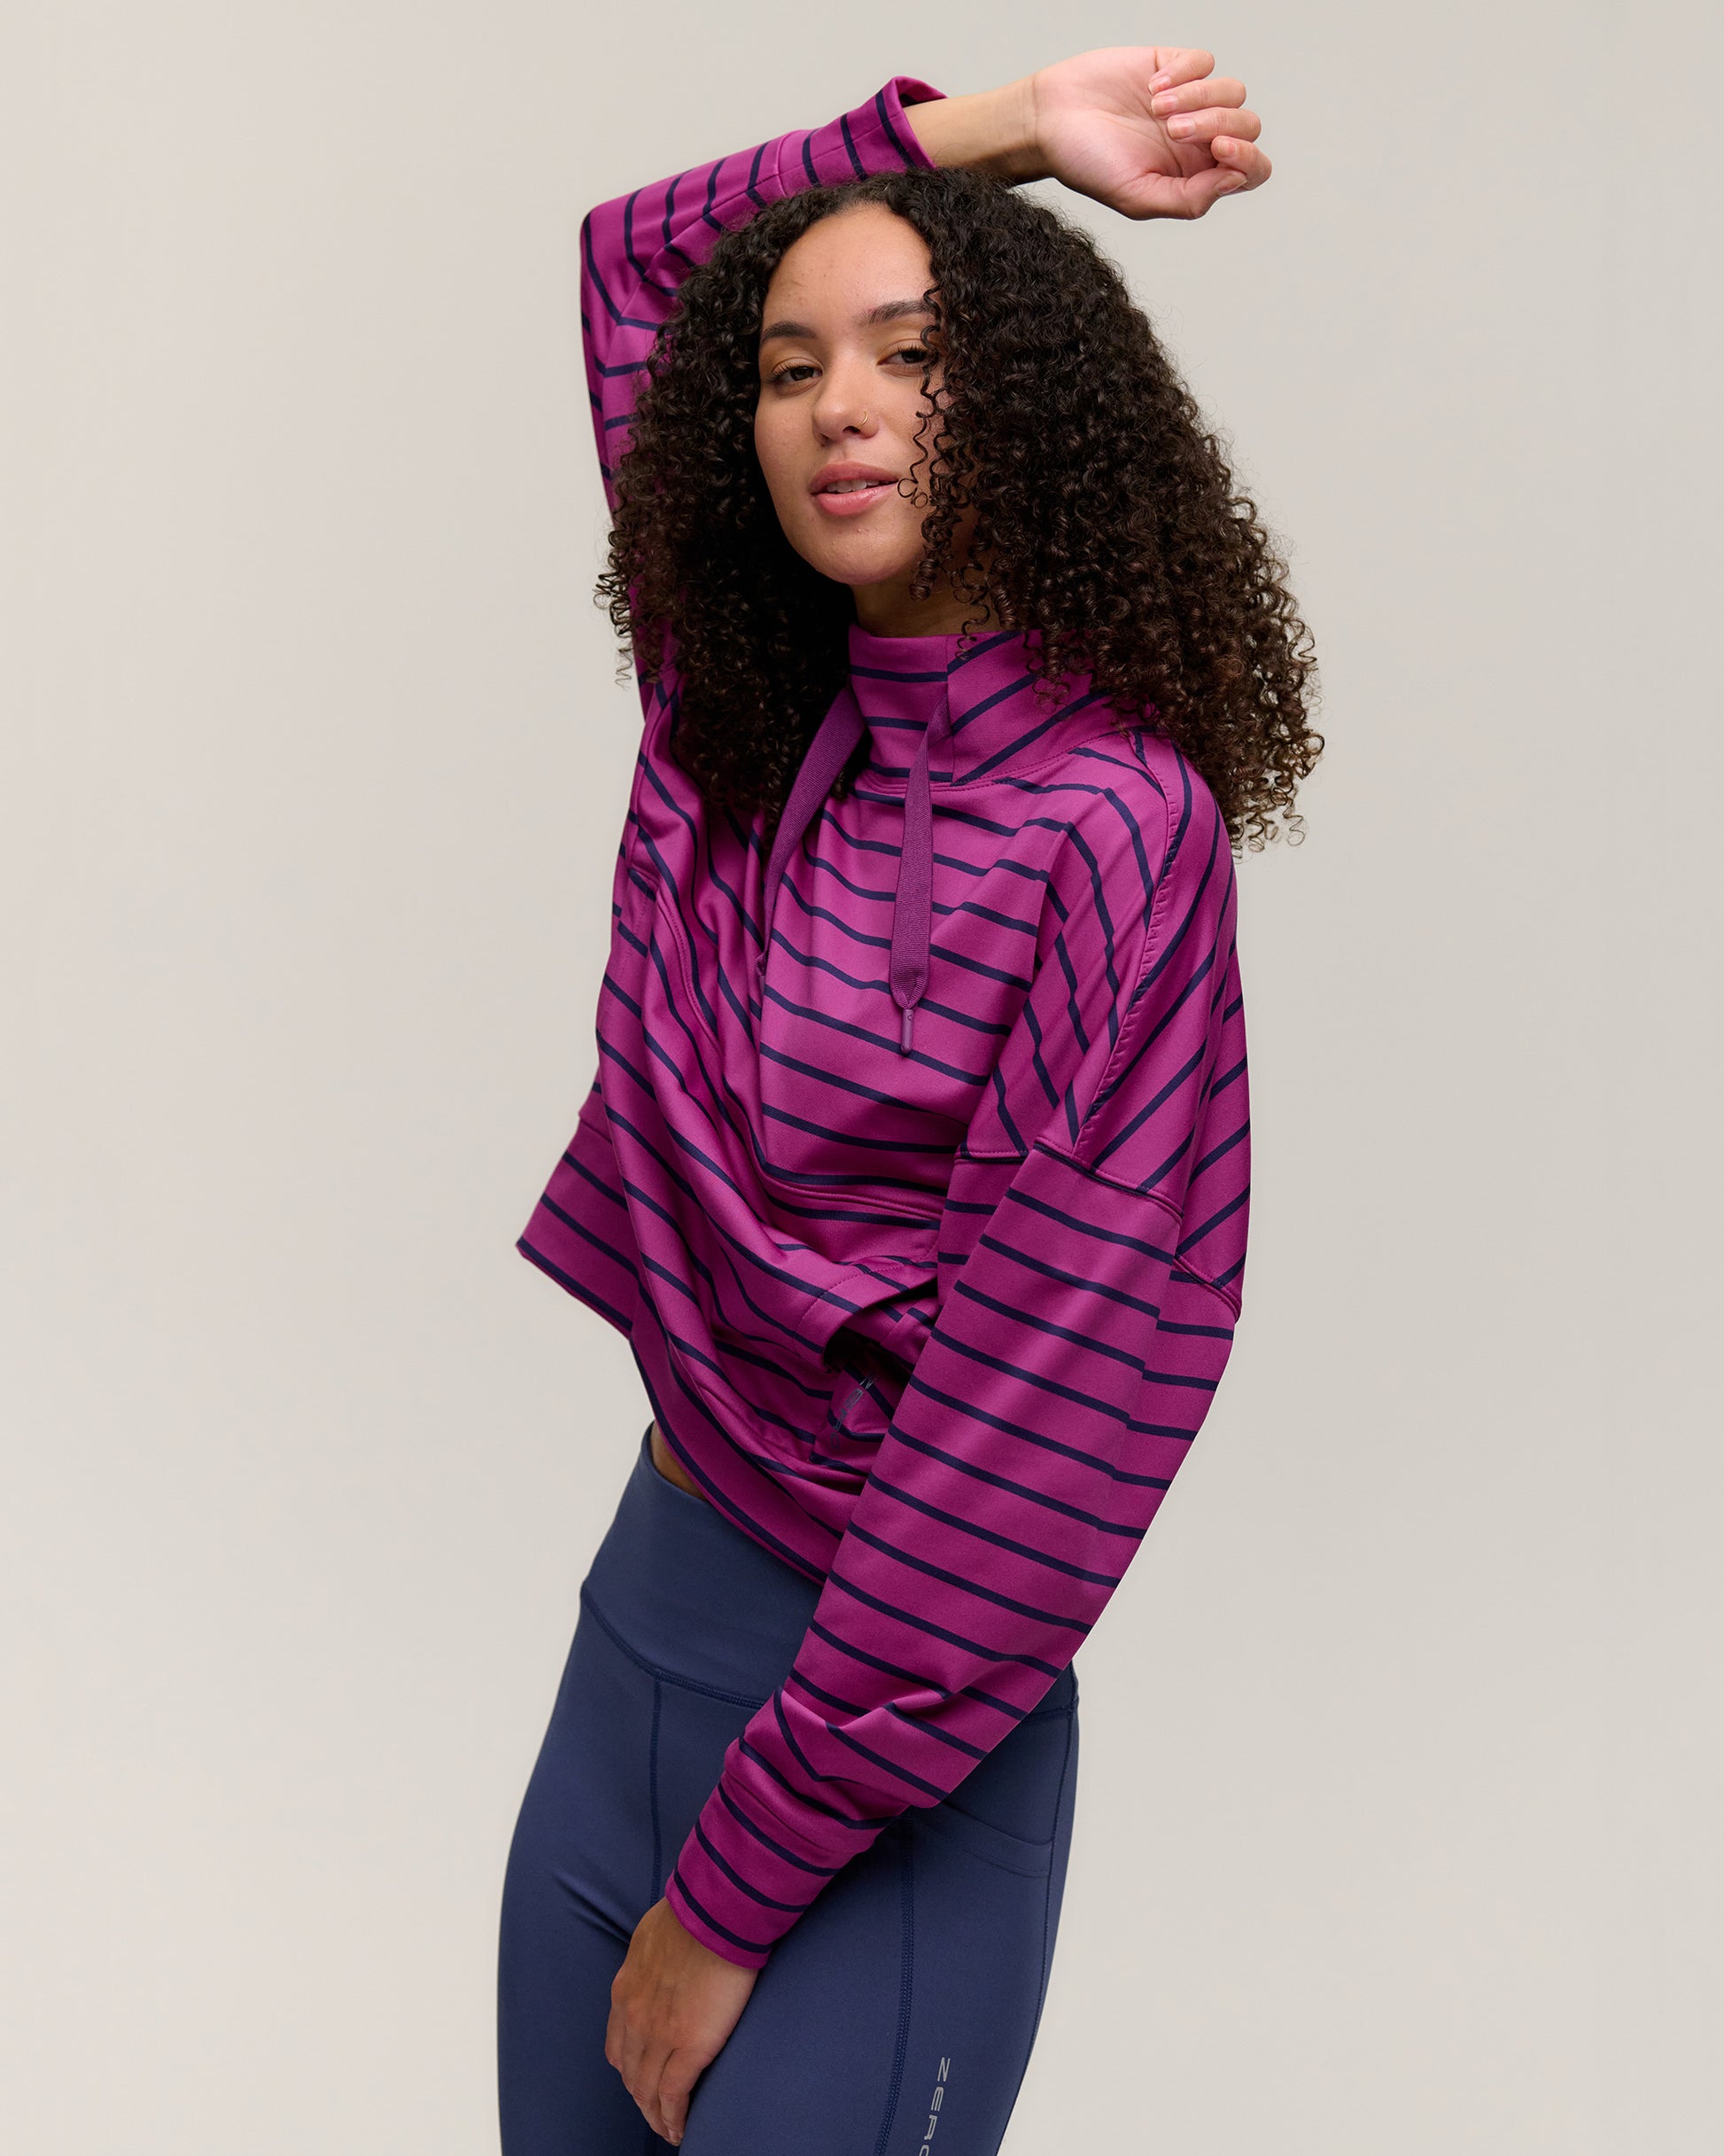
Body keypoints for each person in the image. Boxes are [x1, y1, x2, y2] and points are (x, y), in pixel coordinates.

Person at [499, 44, 1318, 2154]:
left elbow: (1041, 1424)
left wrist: (730, 1892)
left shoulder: (1114, 829)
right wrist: (1012, 129)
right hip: (637, 1642)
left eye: (911, 351)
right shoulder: (736, 715)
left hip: (880, 1751)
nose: (836, 404)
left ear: (1024, 399)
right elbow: (642, 261)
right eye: (789, 368)